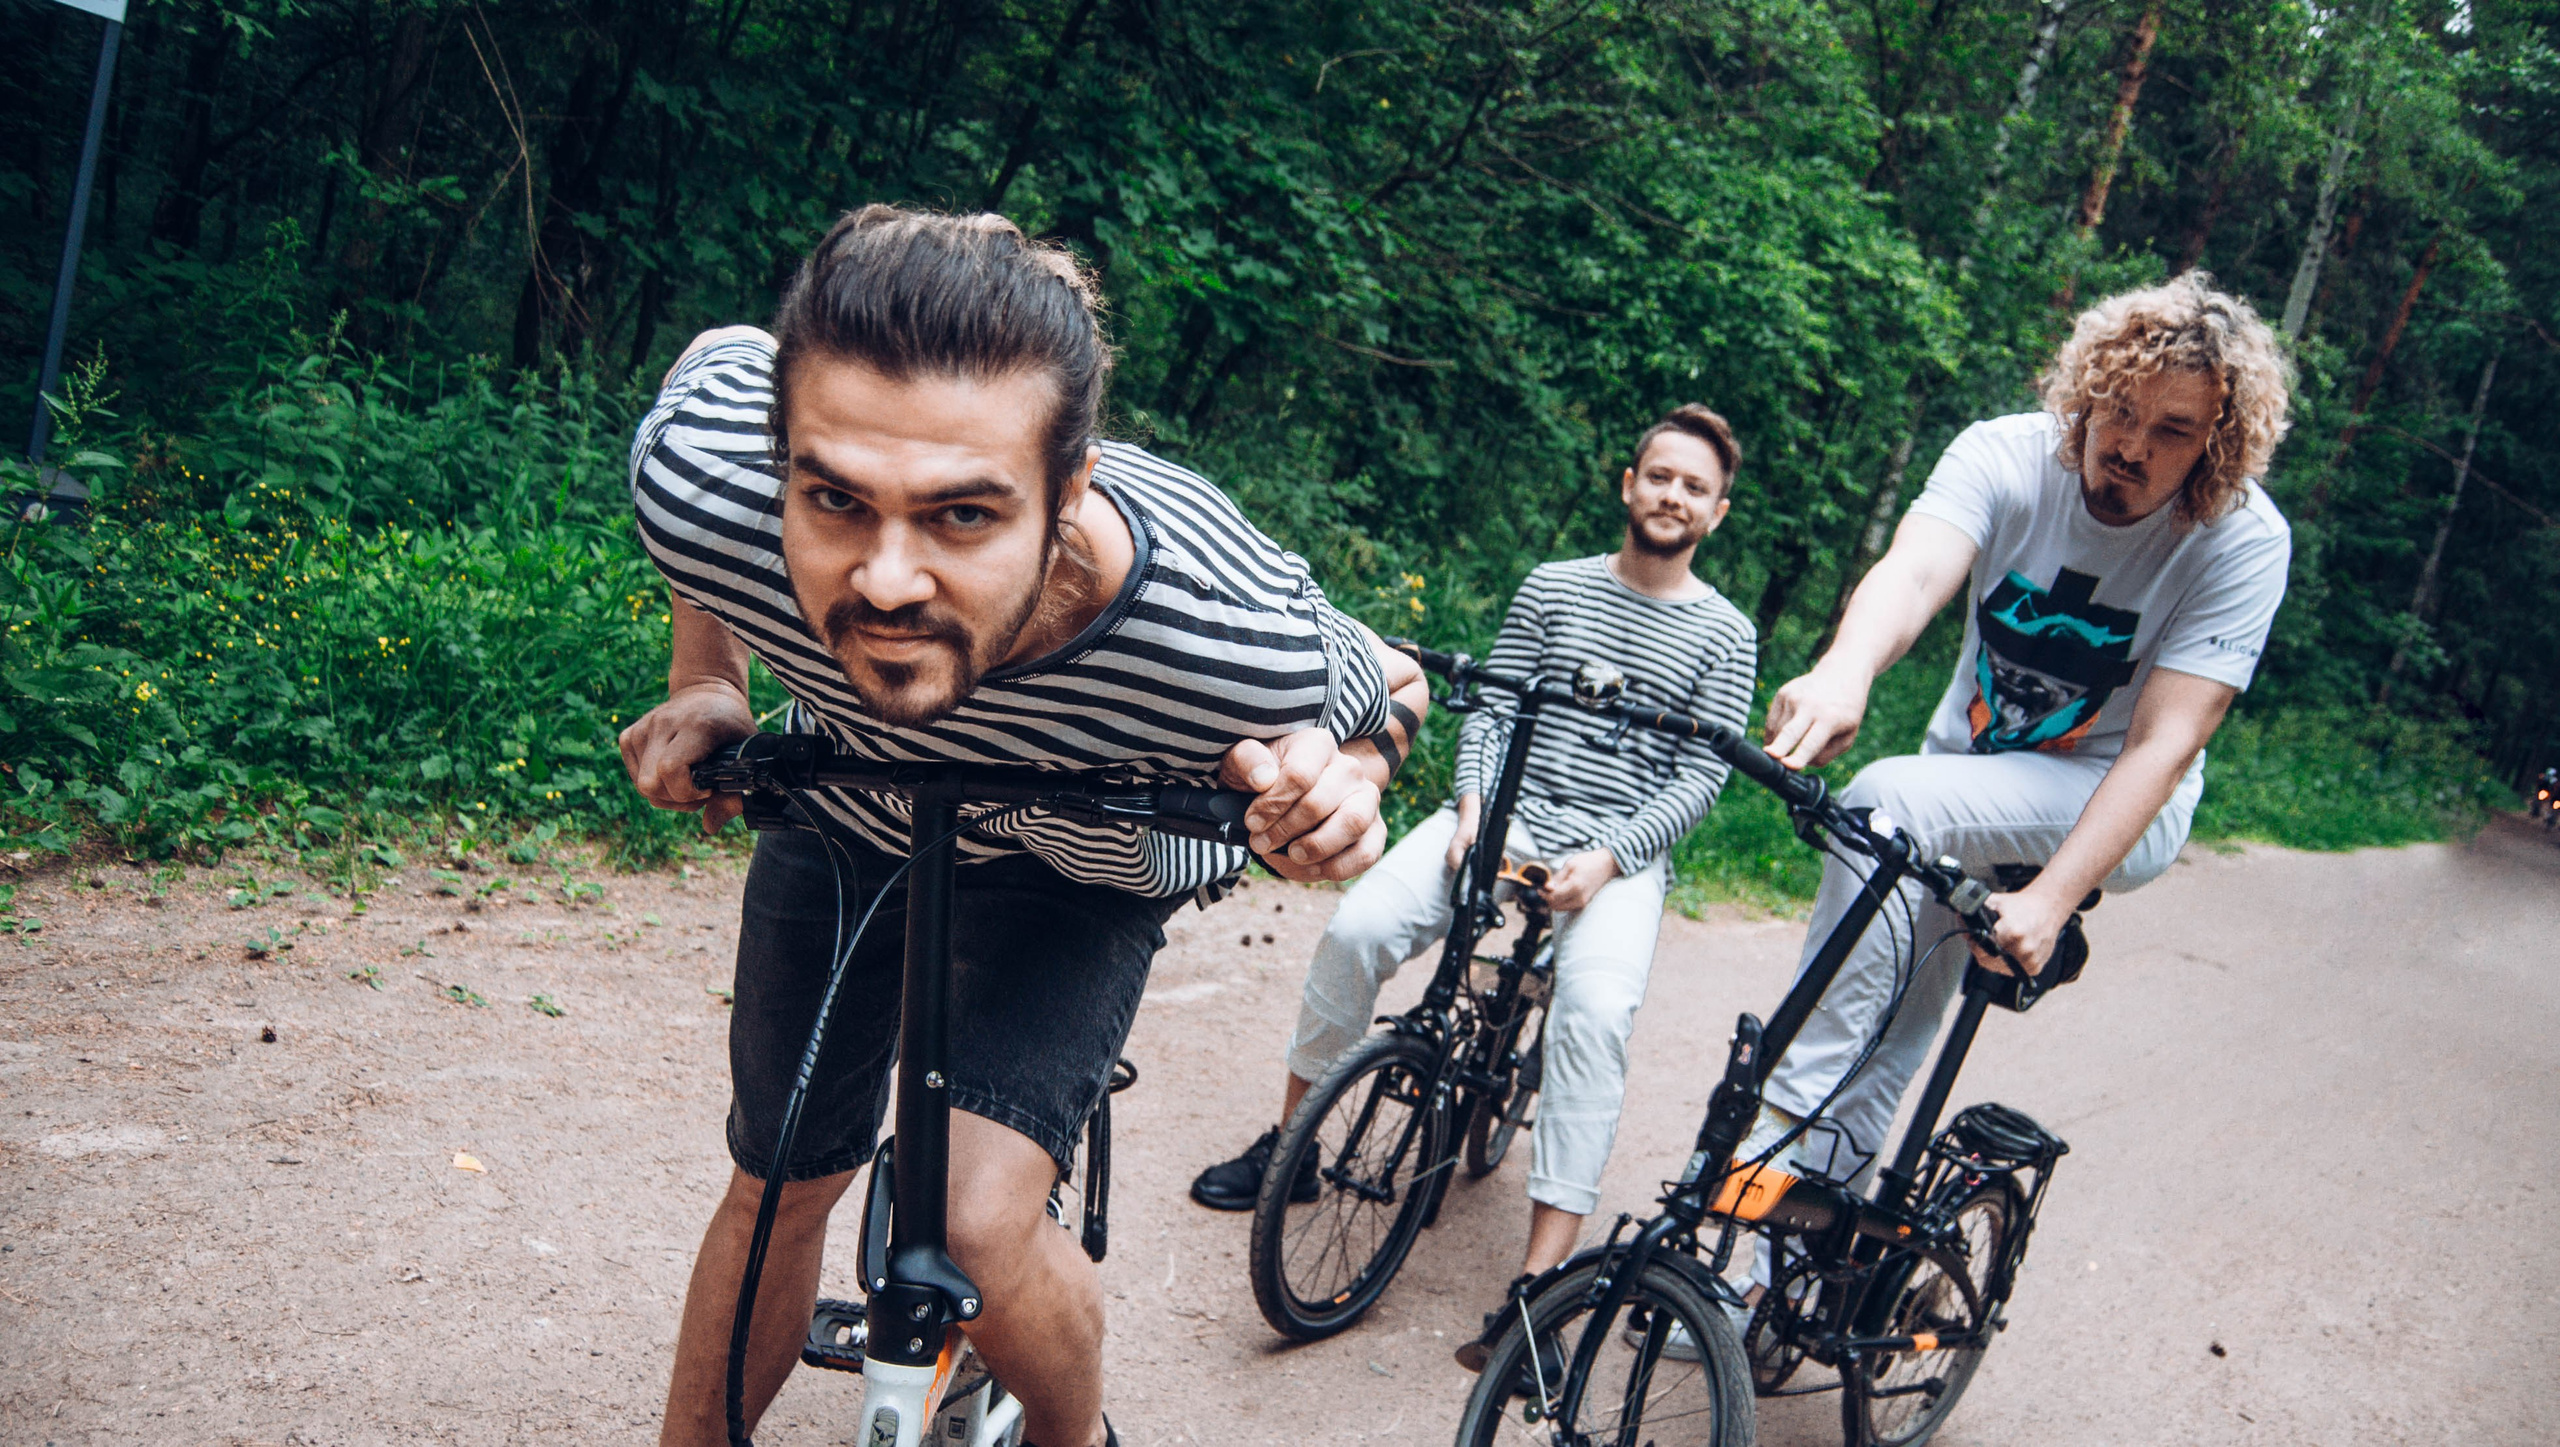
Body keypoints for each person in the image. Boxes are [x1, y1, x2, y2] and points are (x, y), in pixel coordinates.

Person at [617, 206, 1429, 1447]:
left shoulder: (1224, 635)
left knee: (979, 1226)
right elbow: (703, 377)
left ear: (1067, 494)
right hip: (845, 802)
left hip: (1077, 858)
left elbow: (1395, 699)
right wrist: (706, 683)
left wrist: (1347, 782)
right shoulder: (700, 478)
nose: (886, 580)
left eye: (962, 516)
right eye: (834, 498)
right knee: (778, 1173)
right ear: (778, 458)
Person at [1185, 404, 1761, 1372]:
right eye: (1659, 476)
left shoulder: (1725, 634)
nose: (1672, 495)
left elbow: (1699, 778)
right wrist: (1474, 812)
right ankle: (1291, 1150)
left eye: (1693, 487)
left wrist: (1610, 860)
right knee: (1360, 927)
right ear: (1629, 483)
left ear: (1717, 510)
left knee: (1592, 1011)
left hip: (1617, 851)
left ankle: (1537, 1288)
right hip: (1503, 813)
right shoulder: (1553, 587)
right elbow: (1492, 707)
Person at [1747, 272, 2294, 1191]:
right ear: (2086, 389)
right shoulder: (2006, 455)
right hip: (1969, 774)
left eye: (2172, 431)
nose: (2129, 447)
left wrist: (2050, 897)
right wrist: (1844, 669)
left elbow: (2166, 741)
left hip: (2117, 797)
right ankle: (1809, 1242)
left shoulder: (2240, 539)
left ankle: (1731, 1246)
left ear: (2214, 444)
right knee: (1891, 1006)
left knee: (1884, 801)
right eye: (2119, 410)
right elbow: (1915, 572)